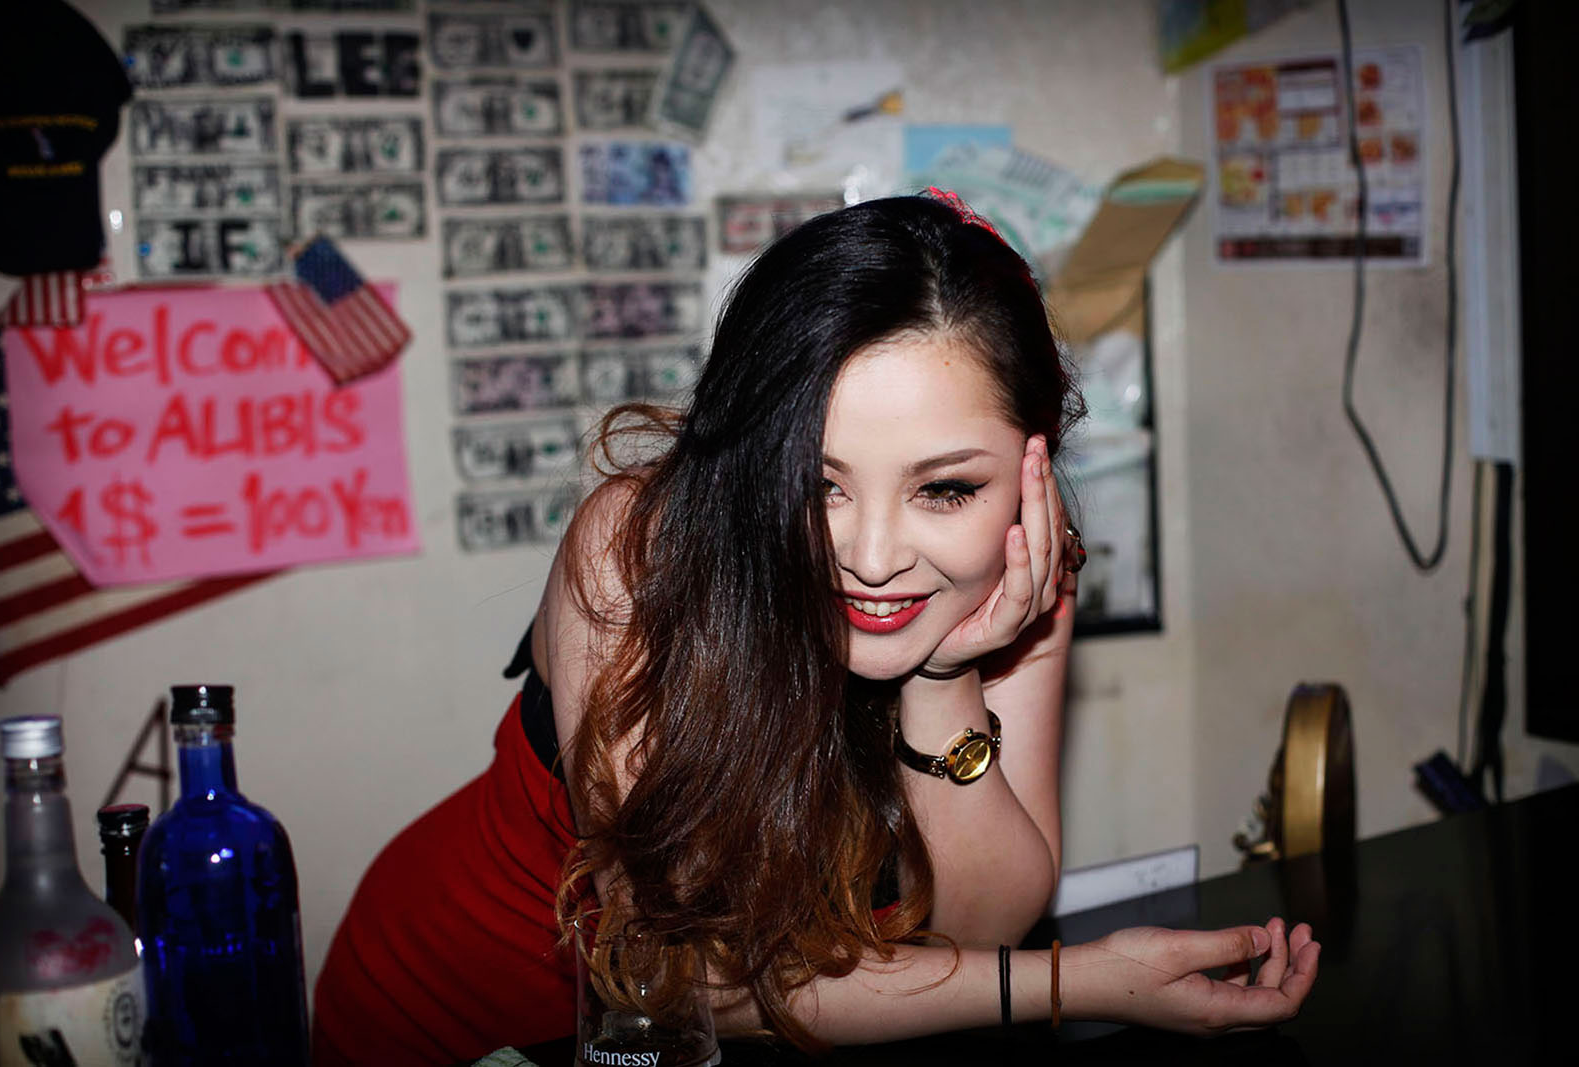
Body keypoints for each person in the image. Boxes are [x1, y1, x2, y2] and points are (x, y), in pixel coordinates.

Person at [313, 194, 1319, 1065]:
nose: (876, 555)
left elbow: (975, 928)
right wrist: (1078, 981)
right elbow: (688, 977)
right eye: (817, 481)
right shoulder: (636, 546)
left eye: (946, 487)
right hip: (461, 1023)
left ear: (1030, 473)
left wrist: (945, 674)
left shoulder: (1014, 575)